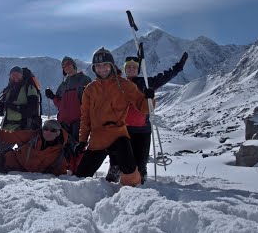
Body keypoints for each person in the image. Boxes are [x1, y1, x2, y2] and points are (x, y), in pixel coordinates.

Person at [74, 47, 154, 186]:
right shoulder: (90, 89)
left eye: (105, 65)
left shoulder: (125, 85)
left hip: (118, 135)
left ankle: (132, 190)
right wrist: (82, 140)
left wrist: (149, 98)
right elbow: (85, 117)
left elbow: (145, 108)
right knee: (80, 177)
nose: (102, 68)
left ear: (112, 65)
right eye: (98, 66)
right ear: (94, 68)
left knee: (129, 169)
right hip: (97, 138)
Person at [105, 52, 189, 184]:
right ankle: (112, 179)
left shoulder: (146, 82)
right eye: (128, 67)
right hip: (124, 129)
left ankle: (141, 180)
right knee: (118, 156)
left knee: (141, 160)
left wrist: (178, 67)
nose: (131, 69)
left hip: (142, 130)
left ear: (138, 70)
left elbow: (165, 77)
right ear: (125, 70)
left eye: (134, 67)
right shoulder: (120, 84)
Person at [0, 114, 70, 176]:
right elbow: (8, 136)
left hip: (26, 172)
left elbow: (61, 172)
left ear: (58, 133)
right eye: (45, 129)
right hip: (13, 160)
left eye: (52, 130)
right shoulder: (33, 136)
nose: (48, 132)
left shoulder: (60, 153)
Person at [45, 56, 92, 172]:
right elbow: (60, 104)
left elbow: (91, 100)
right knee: (64, 146)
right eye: (64, 66)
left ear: (74, 65)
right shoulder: (63, 85)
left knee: (78, 146)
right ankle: (67, 168)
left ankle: (78, 170)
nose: (67, 67)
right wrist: (53, 97)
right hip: (64, 122)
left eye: (69, 64)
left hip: (78, 120)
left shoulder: (84, 80)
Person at [0, 66, 42, 153]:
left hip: (25, 127)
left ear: (22, 76)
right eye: (13, 75)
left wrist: (12, 106)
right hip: (8, 128)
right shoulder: (7, 90)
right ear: (9, 76)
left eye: (18, 75)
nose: (15, 77)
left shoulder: (29, 88)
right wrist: (1, 106)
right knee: (3, 154)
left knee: (24, 156)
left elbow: (32, 109)